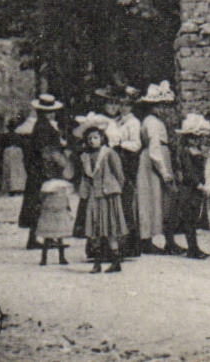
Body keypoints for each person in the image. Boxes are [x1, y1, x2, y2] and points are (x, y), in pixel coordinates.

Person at [133, 81, 179, 255]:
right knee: (150, 199)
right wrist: (164, 171)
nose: (162, 109)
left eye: (164, 106)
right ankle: (147, 240)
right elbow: (154, 147)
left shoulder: (157, 121)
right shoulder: (151, 122)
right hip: (153, 161)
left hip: (161, 156)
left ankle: (169, 240)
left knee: (165, 200)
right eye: (158, 105)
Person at [77, 119, 126, 274]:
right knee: (95, 230)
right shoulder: (85, 157)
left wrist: (115, 188)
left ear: (102, 138)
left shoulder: (109, 153)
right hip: (93, 196)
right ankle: (97, 263)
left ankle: (116, 261)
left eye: (96, 138)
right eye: (90, 139)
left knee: (111, 229)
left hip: (107, 196)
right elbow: (85, 177)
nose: (93, 141)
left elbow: (119, 174)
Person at [101, 85, 143, 258]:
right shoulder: (117, 121)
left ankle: (128, 246)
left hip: (126, 161)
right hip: (114, 160)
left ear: (132, 106)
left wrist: (120, 146)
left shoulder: (133, 123)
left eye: (127, 104)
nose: (123, 107)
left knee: (125, 202)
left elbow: (136, 144)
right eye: (121, 104)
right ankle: (111, 245)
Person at [19, 95, 65, 249]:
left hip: (37, 169)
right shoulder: (44, 128)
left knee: (38, 202)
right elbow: (46, 151)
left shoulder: (40, 125)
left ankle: (39, 237)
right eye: (50, 111)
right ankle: (40, 237)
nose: (53, 113)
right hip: (44, 170)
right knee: (43, 202)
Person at [169, 113, 210, 260]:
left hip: (195, 190)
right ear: (187, 138)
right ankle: (192, 248)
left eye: (198, 138)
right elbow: (189, 172)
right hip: (189, 189)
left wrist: (209, 180)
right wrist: (199, 184)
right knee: (189, 220)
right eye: (193, 137)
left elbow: (207, 169)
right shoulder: (186, 152)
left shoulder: (199, 152)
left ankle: (194, 247)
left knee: (194, 218)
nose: (196, 140)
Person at [33, 144, 75, 266]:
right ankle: (61, 257)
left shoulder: (46, 185)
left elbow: (42, 197)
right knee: (60, 235)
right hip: (60, 209)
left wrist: (40, 204)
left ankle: (44, 258)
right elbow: (66, 196)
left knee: (47, 235)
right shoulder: (63, 184)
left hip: (48, 210)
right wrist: (67, 206)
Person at [1, 121, 27, 195]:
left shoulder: (5, 136)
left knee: (10, 169)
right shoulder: (18, 136)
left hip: (9, 151)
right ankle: (18, 187)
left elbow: (2, 145)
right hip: (17, 151)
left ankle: (11, 188)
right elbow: (22, 144)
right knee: (18, 169)